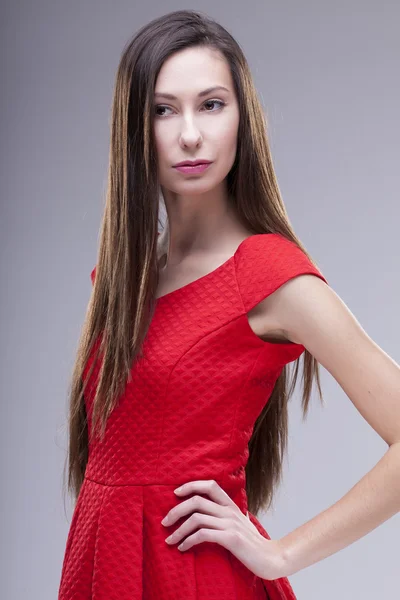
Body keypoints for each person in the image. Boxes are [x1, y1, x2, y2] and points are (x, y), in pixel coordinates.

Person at [58, 9, 400, 600]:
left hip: (196, 580)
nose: (189, 133)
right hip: (100, 570)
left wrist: (279, 555)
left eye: (211, 104)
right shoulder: (122, 277)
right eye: (163, 110)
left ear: (243, 119)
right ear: (133, 128)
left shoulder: (265, 270)